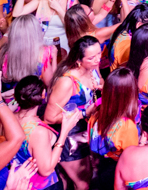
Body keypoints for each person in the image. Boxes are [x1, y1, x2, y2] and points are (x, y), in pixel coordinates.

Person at [44, 36, 104, 190]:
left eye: (99, 53)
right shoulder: (67, 82)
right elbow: (49, 117)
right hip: (71, 137)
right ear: (79, 60)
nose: (98, 59)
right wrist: (84, 113)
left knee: (79, 178)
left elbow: (100, 82)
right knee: (83, 183)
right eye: (91, 57)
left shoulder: (93, 67)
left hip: (87, 129)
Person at [11, 76, 81, 190]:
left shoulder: (8, 118)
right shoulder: (39, 131)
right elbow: (46, 170)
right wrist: (65, 131)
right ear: (43, 94)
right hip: (39, 185)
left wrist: (51, 156)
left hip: (15, 179)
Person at [89, 68, 141, 188]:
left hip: (102, 166)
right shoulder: (127, 126)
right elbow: (131, 158)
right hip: (117, 170)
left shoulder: (97, 113)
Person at [0, 13, 58, 90]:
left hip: (14, 94)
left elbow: (6, 76)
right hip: (34, 95)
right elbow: (50, 83)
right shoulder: (43, 53)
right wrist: (54, 58)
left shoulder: (6, 53)